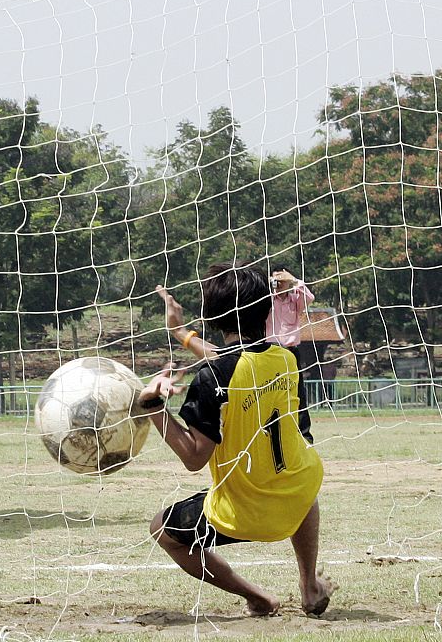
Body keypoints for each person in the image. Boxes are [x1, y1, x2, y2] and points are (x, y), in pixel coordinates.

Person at [141, 263, 334, 617]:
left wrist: (152, 406)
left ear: (213, 317)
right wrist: (180, 333)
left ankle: (258, 597)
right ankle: (309, 585)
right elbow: (235, 362)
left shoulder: (213, 376)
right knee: (300, 474)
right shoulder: (287, 360)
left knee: (161, 530)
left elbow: (194, 457)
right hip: (296, 500)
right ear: (268, 309)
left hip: (242, 515)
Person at [267, 265, 315, 439]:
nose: (279, 283)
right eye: (276, 279)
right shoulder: (268, 298)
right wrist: (271, 283)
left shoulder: (295, 299)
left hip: (291, 351)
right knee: (270, 394)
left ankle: (304, 437)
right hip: (270, 351)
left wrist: (293, 281)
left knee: (298, 394)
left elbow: (310, 298)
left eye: (282, 280)